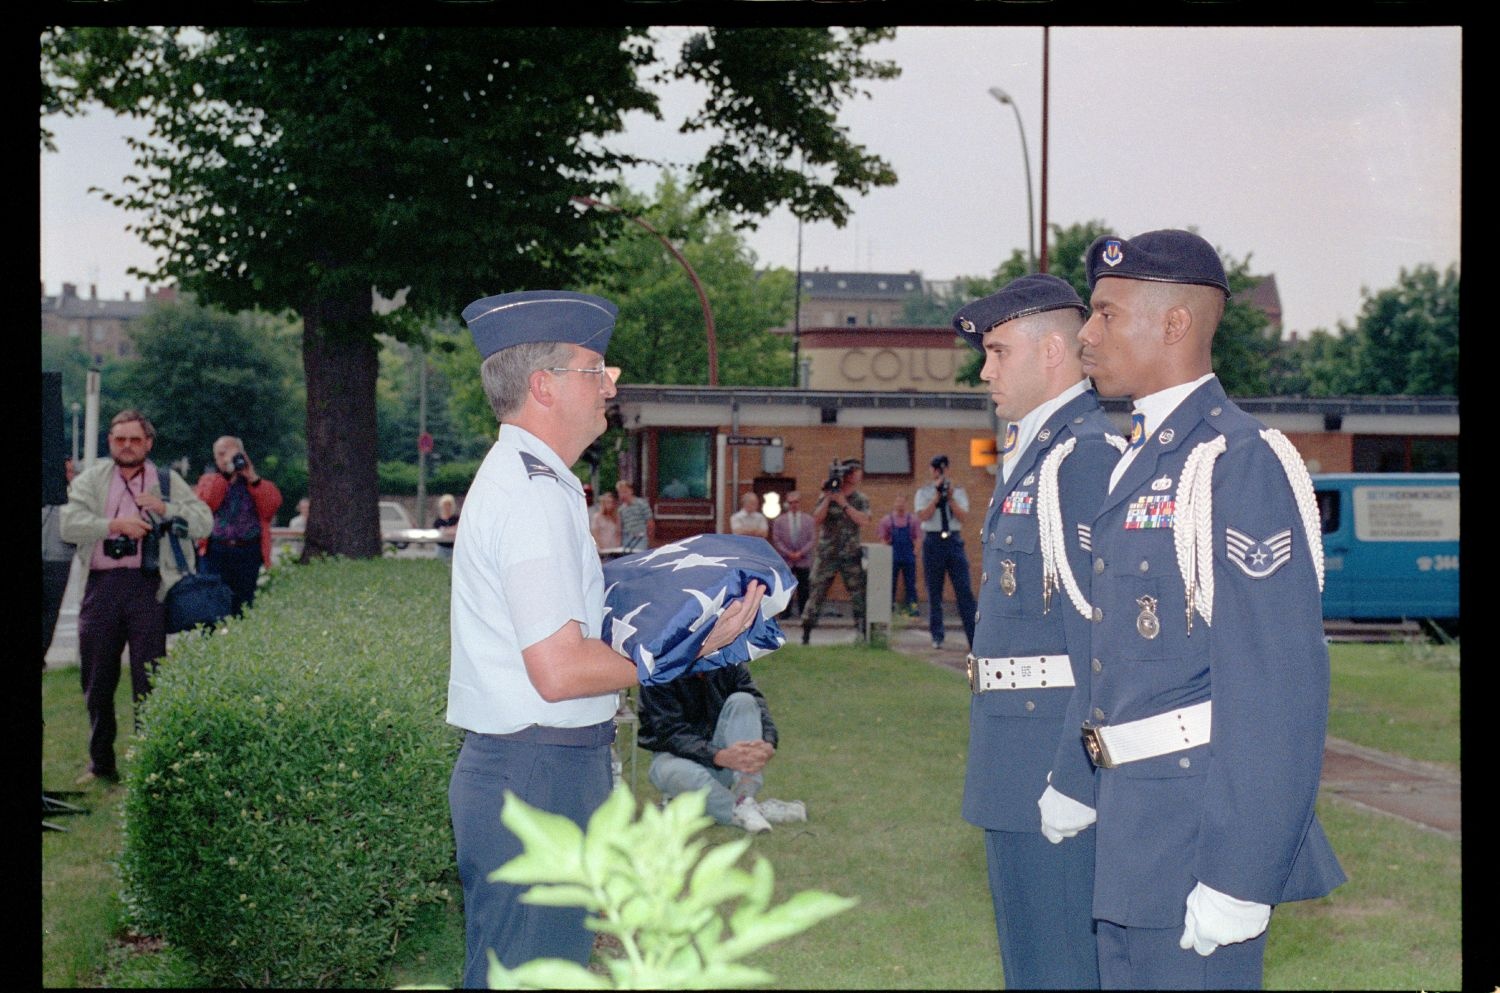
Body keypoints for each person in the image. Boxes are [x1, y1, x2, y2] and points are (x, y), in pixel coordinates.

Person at [1046, 230, 1345, 988]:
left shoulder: (1235, 461)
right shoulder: (1143, 461)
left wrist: (1242, 874)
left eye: (1106, 314)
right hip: (1132, 834)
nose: (1085, 334)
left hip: (1196, 841)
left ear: (1174, 325)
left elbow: (1278, 688)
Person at [446, 288, 764, 989]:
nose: (611, 384)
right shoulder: (531, 496)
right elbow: (558, 670)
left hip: (540, 765)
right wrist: (694, 647)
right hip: (537, 771)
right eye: (596, 368)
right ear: (544, 385)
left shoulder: (539, 483)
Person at [951, 274, 1121, 989]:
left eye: (997, 351)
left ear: (1053, 350)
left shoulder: (1084, 454)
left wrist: (1073, 775)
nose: (985, 371)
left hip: (1052, 759)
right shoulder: (1040, 450)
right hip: (1013, 751)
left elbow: (1106, 638)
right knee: (1033, 967)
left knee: (1060, 968)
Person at [59, 410, 212, 785]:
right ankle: (101, 764)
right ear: (110, 442)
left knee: (150, 678)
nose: (126, 446)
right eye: (119, 439)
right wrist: (114, 525)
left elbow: (204, 521)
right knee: (97, 679)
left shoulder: (165, 480)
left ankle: (150, 761)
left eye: (134, 439)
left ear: (148, 443)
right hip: (102, 586)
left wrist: (166, 509)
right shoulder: (92, 479)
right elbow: (68, 524)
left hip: (149, 586)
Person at [637, 661, 807, 834]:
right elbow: (670, 733)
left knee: (743, 701)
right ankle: (745, 809)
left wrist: (769, 743)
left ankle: (743, 798)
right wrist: (718, 755)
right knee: (673, 773)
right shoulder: (658, 670)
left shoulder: (729, 659)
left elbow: (757, 703)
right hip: (678, 759)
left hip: (728, 760)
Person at [195, 435, 283, 618]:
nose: (227, 458)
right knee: (213, 605)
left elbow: (270, 508)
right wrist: (227, 475)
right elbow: (206, 504)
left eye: (232, 453)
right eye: (221, 454)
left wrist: (252, 477)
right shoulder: (210, 480)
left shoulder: (257, 484)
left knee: (242, 606)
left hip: (247, 552)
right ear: (216, 458)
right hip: (215, 551)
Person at [799, 458, 870, 644]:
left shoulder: (860, 499)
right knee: (817, 592)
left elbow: (864, 520)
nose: (858, 475)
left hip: (850, 554)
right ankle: (806, 631)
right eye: (855, 471)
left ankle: (861, 630)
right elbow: (816, 519)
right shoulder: (828, 495)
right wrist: (828, 498)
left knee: (858, 594)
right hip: (827, 553)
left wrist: (843, 503)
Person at [914, 454, 978, 650]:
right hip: (933, 542)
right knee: (934, 592)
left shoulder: (957, 491)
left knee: (964, 591)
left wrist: (949, 499)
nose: (939, 473)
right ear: (932, 471)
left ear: (947, 470)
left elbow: (963, 516)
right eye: (936, 469)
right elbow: (923, 516)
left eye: (942, 469)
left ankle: (974, 638)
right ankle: (937, 636)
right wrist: (936, 497)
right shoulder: (924, 492)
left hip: (953, 540)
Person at [43, 457, 78, 667]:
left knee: (50, 611)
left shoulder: (74, 497)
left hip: (59, 559)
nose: (70, 475)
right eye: (66, 470)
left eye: (72, 471)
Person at [769, 490, 815, 620]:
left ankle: (803, 612)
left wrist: (801, 552)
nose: (794, 505)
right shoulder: (779, 521)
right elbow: (776, 540)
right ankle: (785, 613)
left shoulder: (808, 520)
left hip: (803, 559)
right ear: (787, 504)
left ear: (800, 503)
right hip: (786, 559)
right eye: (791, 502)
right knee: (786, 588)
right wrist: (788, 553)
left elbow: (812, 540)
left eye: (796, 502)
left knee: (804, 587)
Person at [876, 494, 920, 617]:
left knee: (911, 585)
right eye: (898, 502)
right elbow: (882, 538)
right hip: (892, 556)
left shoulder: (913, 520)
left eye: (902, 502)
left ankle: (913, 609)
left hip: (908, 557)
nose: (900, 504)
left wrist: (915, 552)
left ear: (906, 504)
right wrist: (886, 552)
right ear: (894, 503)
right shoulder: (887, 520)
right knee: (890, 584)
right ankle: (888, 609)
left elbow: (918, 538)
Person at [615, 479, 655, 552]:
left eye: (625, 491)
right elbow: (619, 528)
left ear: (631, 491)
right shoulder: (621, 509)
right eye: (620, 492)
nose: (623, 495)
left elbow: (650, 523)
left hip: (640, 538)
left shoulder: (642, 504)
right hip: (627, 539)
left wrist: (650, 541)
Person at [434, 493, 461, 561]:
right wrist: (451, 529)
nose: (447, 507)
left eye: (449, 505)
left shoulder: (456, 519)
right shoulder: (438, 521)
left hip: (454, 548)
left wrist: (447, 530)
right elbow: (440, 532)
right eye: (445, 505)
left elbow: (457, 530)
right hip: (442, 548)